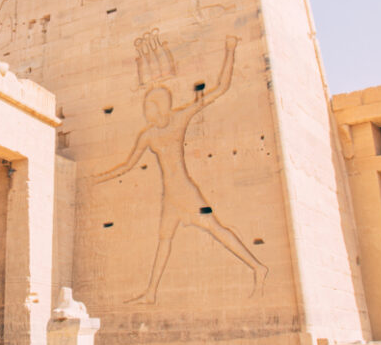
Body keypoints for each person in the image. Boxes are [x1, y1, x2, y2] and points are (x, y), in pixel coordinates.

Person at [95, 36, 268, 304]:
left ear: (160, 107)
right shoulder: (149, 135)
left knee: (215, 230)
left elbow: (220, 88)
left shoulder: (178, 120)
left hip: (185, 192)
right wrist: (99, 178)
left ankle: (257, 267)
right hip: (171, 198)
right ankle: (151, 293)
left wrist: (230, 49)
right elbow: (128, 165)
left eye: (150, 107)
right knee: (164, 241)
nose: (148, 113)